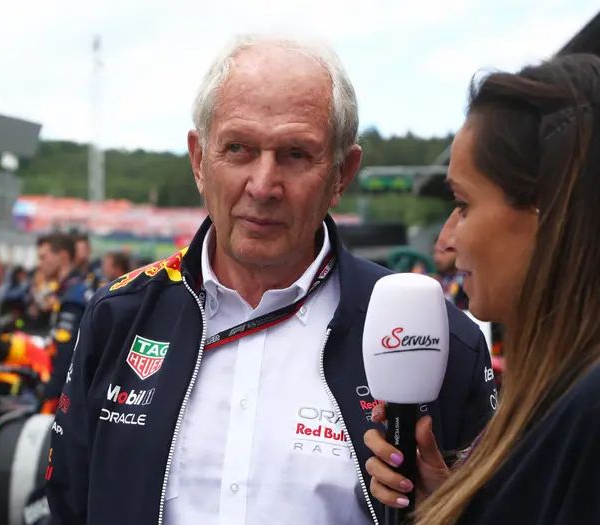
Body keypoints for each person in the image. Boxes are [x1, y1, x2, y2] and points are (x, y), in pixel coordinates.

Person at [46, 35, 495, 524]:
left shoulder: (440, 339)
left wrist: (447, 510)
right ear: (199, 160)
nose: (263, 186)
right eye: (238, 149)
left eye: (296, 155)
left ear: (342, 173)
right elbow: (70, 504)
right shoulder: (118, 316)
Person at [364, 55, 600, 525]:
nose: (448, 239)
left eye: (464, 204)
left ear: (552, 215)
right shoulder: (595, 397)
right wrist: (450, 505)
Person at [33, 233, 89, 407]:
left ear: (63, 257)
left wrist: (50, 393)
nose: (39, 264)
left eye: (44, 257)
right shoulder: (71, 288)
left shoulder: (73, 296)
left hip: (69, 392)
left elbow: (66, 352)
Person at [433, 228, 469, 310]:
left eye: (442, 252)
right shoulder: (441, 277)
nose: (436, 258)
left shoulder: (468, 278)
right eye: (434, 252)